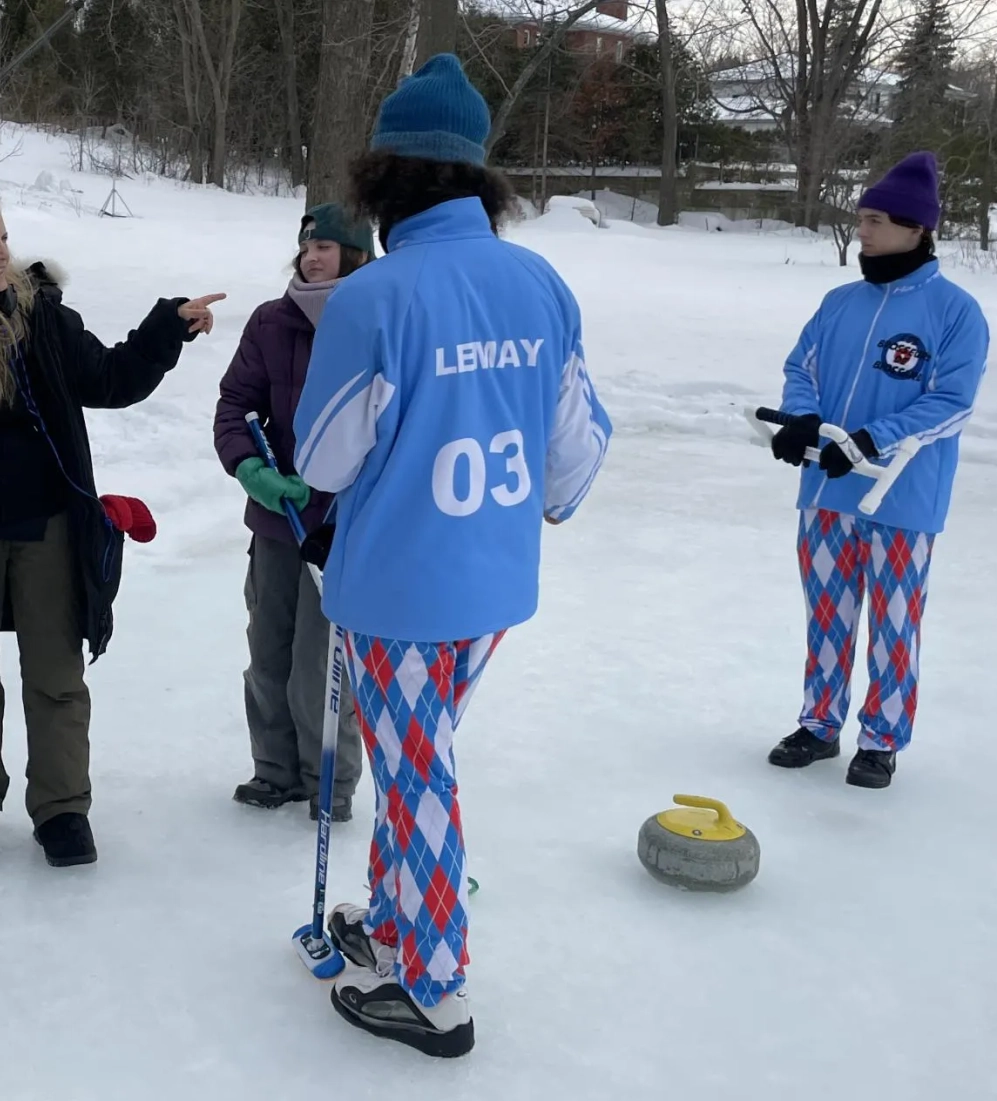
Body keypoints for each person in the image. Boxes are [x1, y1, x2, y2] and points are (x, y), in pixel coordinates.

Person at [291, 55, 612, 1058]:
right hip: (492, 585)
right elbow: (579, 438)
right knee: (408, 761)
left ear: (383, 177)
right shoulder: (539, 281)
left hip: (396, 588)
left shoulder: (374, 299)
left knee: (419, 772)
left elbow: (322, 456)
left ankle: (437, 989)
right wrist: (549, 505)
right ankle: (393, 925)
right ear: (478, 178)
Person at [0, 188, 222, 867]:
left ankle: (62, 808)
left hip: (51, 526)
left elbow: (110, 378)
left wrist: (165, 327)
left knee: (57, 676)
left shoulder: (40, 317)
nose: (4, 251)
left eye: (5, 237)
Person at [763, 151, 988, 790]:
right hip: (827, 490)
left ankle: (882, 738)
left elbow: (952, 403)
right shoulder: (839, 303)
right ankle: (818, 724)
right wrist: (801, 422)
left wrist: (870, 440)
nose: (861, 231)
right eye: (861, 217)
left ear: (916, 229)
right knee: (828, 612)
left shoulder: (955, 312)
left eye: (874, 220)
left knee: (894, 619)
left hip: (903, 497)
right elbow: (799, 368)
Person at [212, 203, 373, 821]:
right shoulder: (270, 322)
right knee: (268, 651)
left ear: (356, 255)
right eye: (307, 245)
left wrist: (337, 490)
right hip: (276, 522)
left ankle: (328, 781)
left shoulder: (374, 322)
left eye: (326, 246)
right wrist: (248, 468)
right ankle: (273, 771)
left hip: (341, 528)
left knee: (320, 662)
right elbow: (236, 404)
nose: (311, 255)